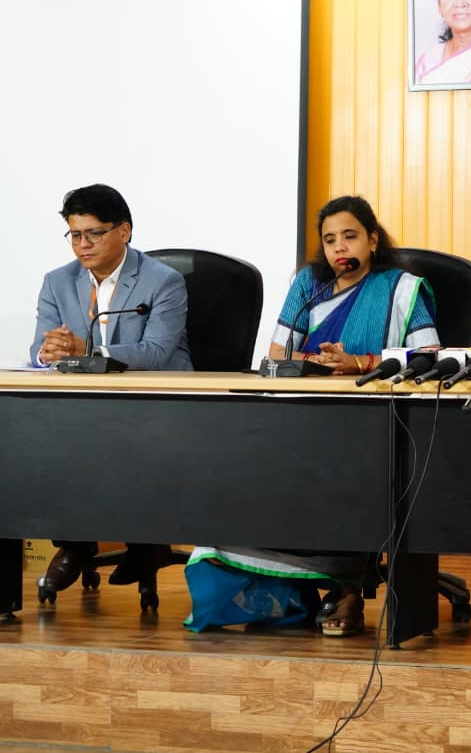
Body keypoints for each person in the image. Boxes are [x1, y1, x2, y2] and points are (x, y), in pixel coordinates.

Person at [185, 195, 440, 637]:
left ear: (373, 240)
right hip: (302, 415)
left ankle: (346, 588)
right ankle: (277, 592)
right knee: (243, 470)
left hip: (373, 419)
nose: (339, 247)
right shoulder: (310, 285)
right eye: (329, 239)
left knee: (341, 471)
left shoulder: (402, 288)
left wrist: (359, 362)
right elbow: (277, 354)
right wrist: (319, 362)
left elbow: (429, 357)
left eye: (350, 236)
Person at [31, 184, 192, 597]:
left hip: (156, 403)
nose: (83, 245)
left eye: (94, 233)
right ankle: (76, 543)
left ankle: (140, 543)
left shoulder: (163, 281)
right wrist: (50, 352)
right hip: (87, 407)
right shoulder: (57, 281)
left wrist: (84, 350)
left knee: (115, 440)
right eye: (75, 235)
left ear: (124, 231)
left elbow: (156, 352)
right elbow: (38, 351)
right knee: (43, 437)